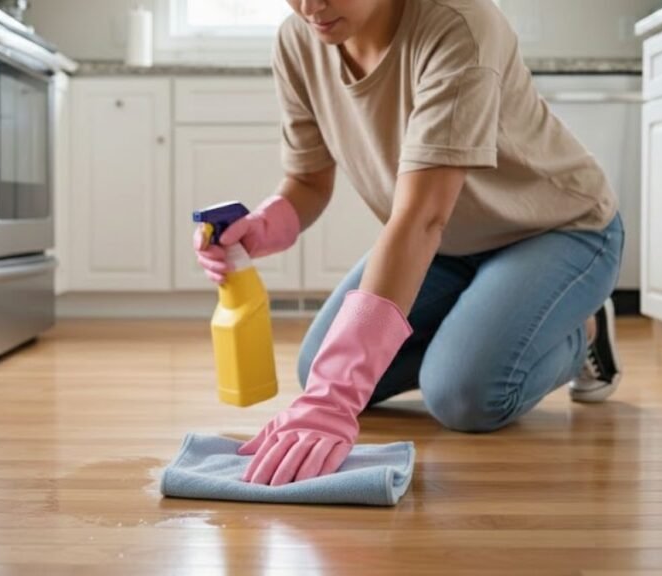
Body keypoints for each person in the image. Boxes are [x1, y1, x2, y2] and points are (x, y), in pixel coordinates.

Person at [193, 0, 624, 487]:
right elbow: (309, 179)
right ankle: (486, 323)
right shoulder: (299, 39)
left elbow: (421, 217)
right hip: (446, 245)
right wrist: (266, 224)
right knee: (318, 366)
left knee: (465, 397)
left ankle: (582, 329)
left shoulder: (459, 25)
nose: (310, 6)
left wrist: (334, 400)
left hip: (554, 229)